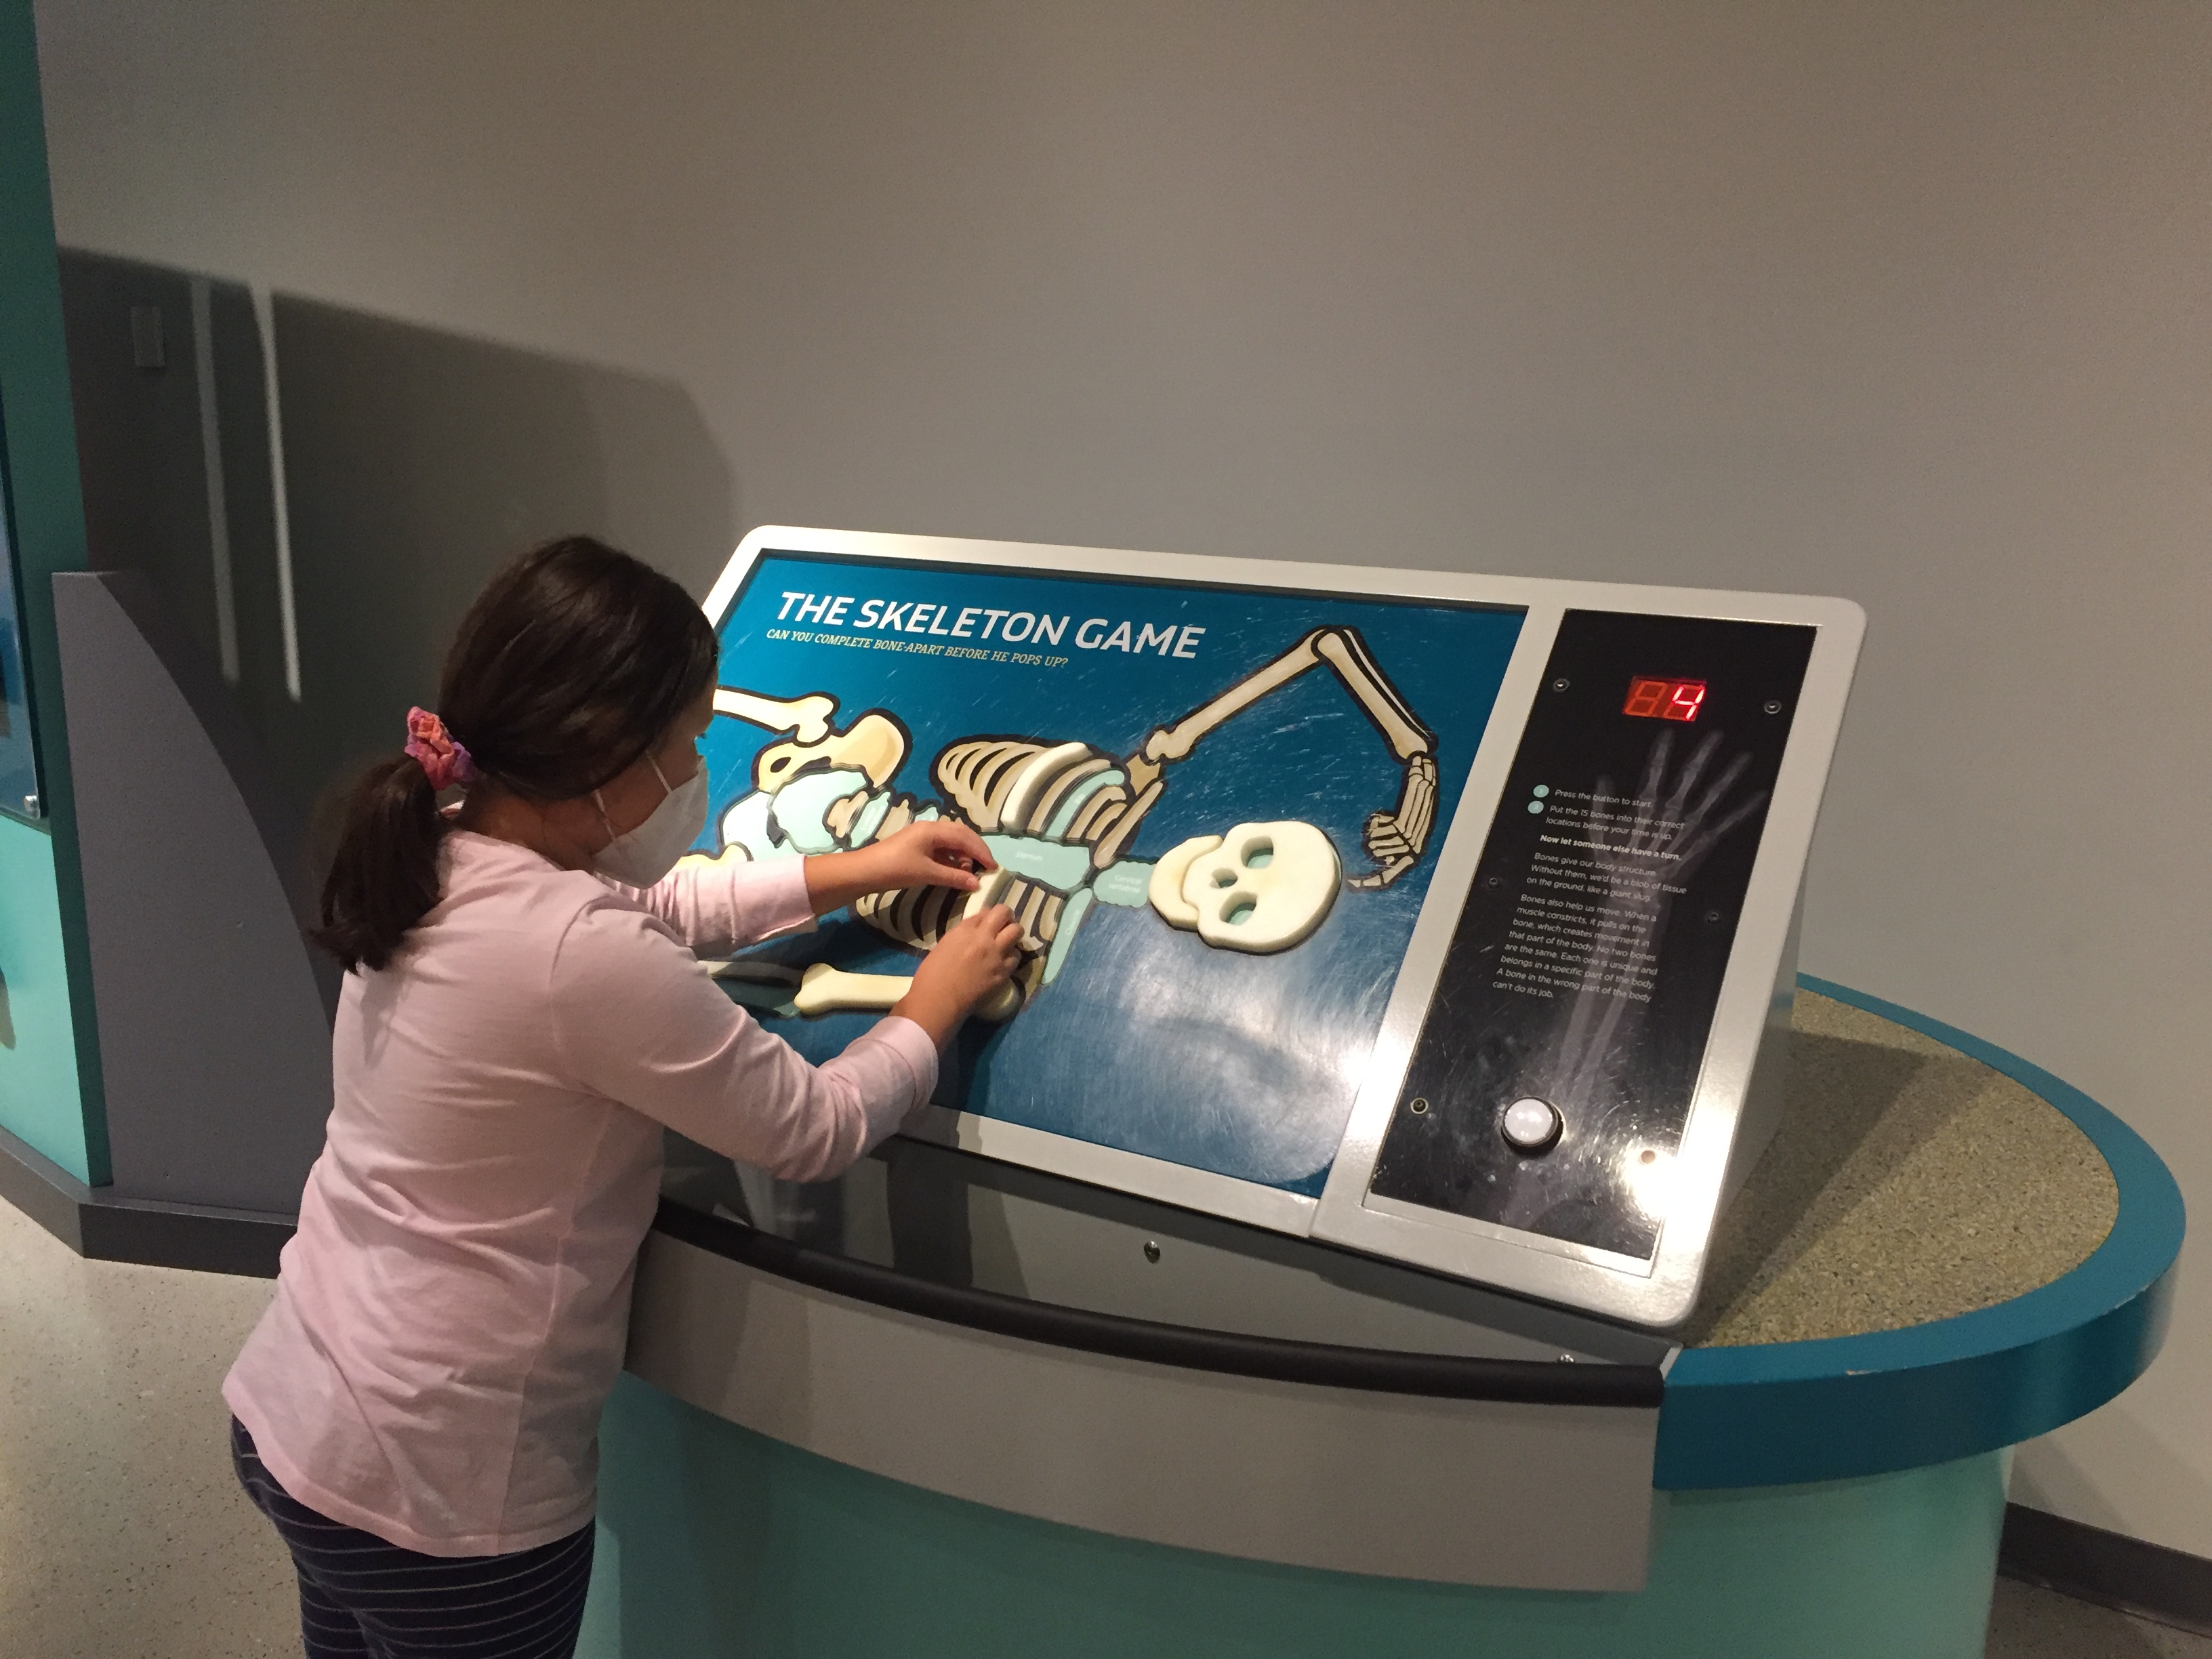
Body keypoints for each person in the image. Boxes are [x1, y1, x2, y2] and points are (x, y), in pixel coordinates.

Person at [224, 536, 1021, 1659]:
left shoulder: (442, 849)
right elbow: (812, 1128)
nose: (696, 769)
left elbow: (656, 913)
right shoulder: (576, 953)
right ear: (605, 750)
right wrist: (935, 1000)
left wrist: (857, 868)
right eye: (688, 742)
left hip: (299, 1417)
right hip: (446, 1501)